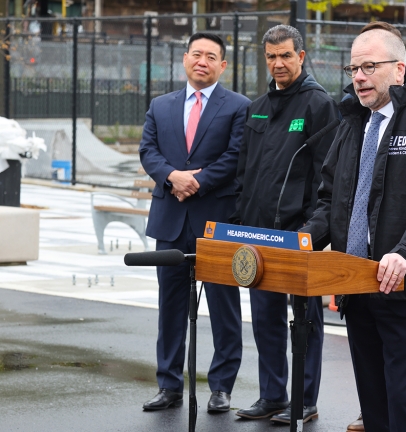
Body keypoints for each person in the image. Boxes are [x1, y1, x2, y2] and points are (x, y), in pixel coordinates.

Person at [300, 28, 406, 432]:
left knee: (405, 401)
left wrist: (405, 253)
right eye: (354, 67)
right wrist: (301, 241)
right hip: (358, 285)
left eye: (369, 66)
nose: (358, 76)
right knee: (374, 405)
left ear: (398, 69)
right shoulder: (353, 122)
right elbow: (331, 201)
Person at [229, 25, 338, 425]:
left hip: (299, 235)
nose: (278, 64)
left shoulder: (319, 105)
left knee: (304, 321)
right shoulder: (256, 107)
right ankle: (272, 395)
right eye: (272, 57)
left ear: (302, 56)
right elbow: (245, 169)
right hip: (257, 236)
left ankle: (303, 399)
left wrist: (313, 229)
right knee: (265, 319)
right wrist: (241, 218)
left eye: (286, 56)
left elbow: (330, 176)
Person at [138, 33, 250, 413]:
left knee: (224, 306)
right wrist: (173, 176)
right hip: (170, 219)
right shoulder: (160, 104)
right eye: (196, 54)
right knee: (170, 307)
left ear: (223, 65)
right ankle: (168, 385)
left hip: (216, 221)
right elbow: (147, 150)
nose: (202, 61)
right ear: (185, 58)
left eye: (211, 56)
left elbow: (237, 155)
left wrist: (197, 181)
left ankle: (221, 387)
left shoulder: (238, 106)